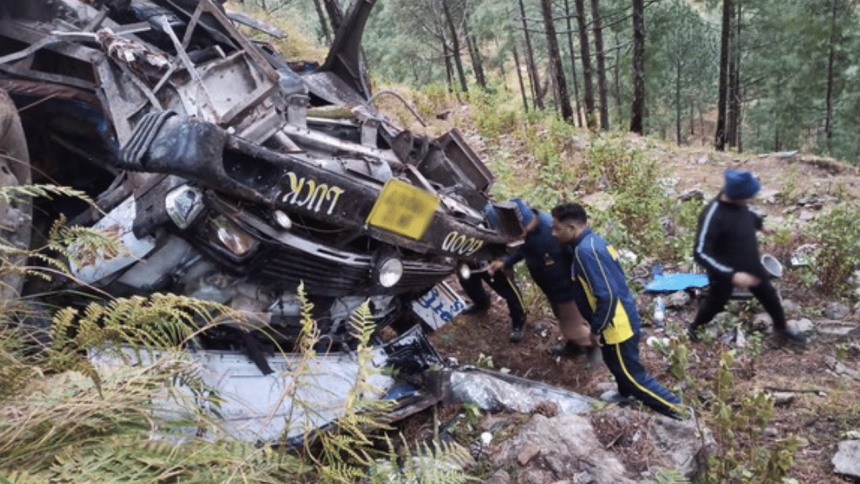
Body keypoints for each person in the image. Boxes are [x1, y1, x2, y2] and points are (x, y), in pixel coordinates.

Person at [551, 202, 682, 418]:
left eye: (557, 228)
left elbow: (607, 295)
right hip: (619, 314)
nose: (552, 233)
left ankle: (679, 410)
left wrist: (596, 328)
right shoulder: (591, 242)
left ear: (572, 228)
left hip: (616, 323)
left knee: (632, 375)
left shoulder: (586, 252)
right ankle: (625, 394)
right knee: (614, 362)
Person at [687, 169, 806, 344]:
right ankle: (695, 326)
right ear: (736, 195)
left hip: (749, 262)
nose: (753, 199)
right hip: (724, 269)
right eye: (749, 196)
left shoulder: (740, 205)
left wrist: (761, 226)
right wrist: (732, 275)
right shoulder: (712, 215)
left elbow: (748, 216)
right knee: (716, 302)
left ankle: (781, 327)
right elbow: (700, 252)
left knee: (768, 293)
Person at [487, 198, 594, 356]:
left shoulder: (554, 233)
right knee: (563, 318)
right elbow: (522, 249)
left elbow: (580, 259)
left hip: (568, 290)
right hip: (550, 287)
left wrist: (580, 288)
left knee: (573, 327)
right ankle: (576, 347)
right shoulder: (526, 233)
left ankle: (594, 351)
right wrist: (505, 261)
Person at [458, 203, 527, 343]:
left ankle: (519, 321)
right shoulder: (453, 206)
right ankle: (481, 303)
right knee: (468, 282)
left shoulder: (493, 214)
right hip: (466, 256)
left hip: (492, 260)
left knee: (509, 291)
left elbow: (518, 242)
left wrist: (505, 260)